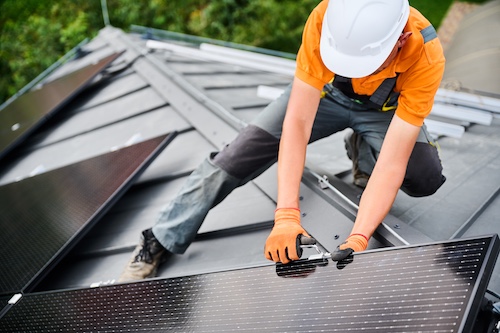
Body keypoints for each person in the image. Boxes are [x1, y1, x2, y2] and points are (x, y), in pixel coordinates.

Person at [118, 0, 446, 282]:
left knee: (423, 175)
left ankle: (362, 146)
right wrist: (286, 213)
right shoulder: (327, 18)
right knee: (235, 158)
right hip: (327, 96)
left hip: (385, 110)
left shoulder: (426, 55)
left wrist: (360, 236)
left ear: (401, 40)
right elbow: (298, 124)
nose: (358, 71)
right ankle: (160, 237)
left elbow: (392, 164)